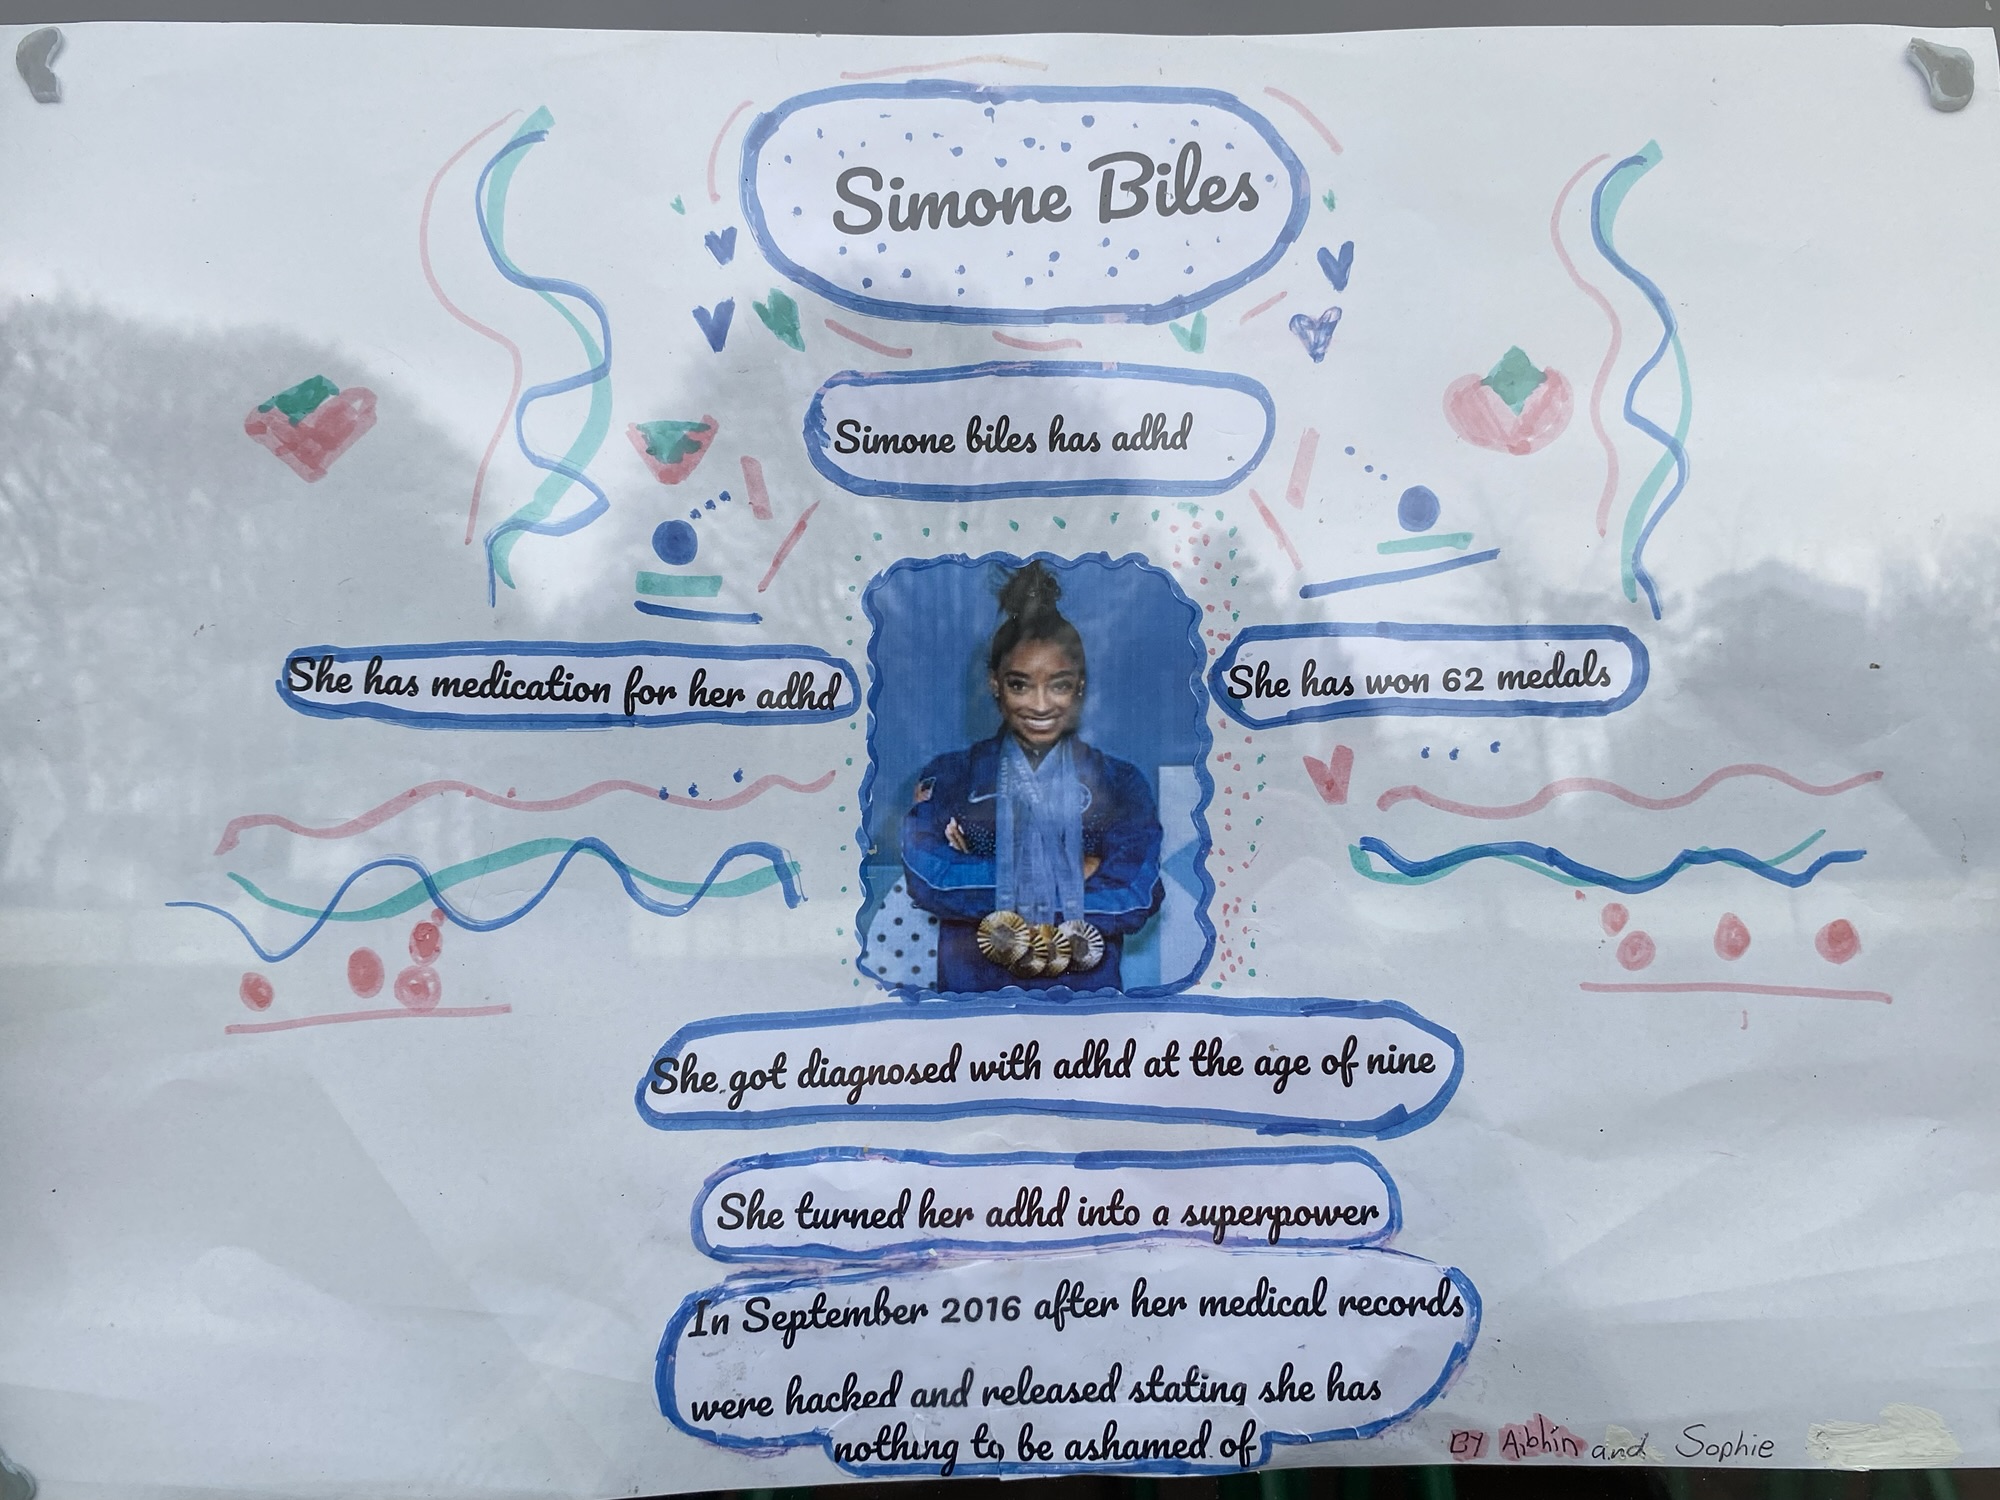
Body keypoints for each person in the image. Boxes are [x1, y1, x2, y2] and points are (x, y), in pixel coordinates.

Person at [901, 561, 1164, 992]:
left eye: (1058, 685)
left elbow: (1134, 897)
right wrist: (1077, 871)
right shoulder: (950, 776)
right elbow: (930, 880)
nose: (1040, 706)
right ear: (994, 684)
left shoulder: (1119, 783)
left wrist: (979, 876)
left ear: (1080, 686)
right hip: (975, 1003)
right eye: (1020, 685)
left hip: (1085, 1009)